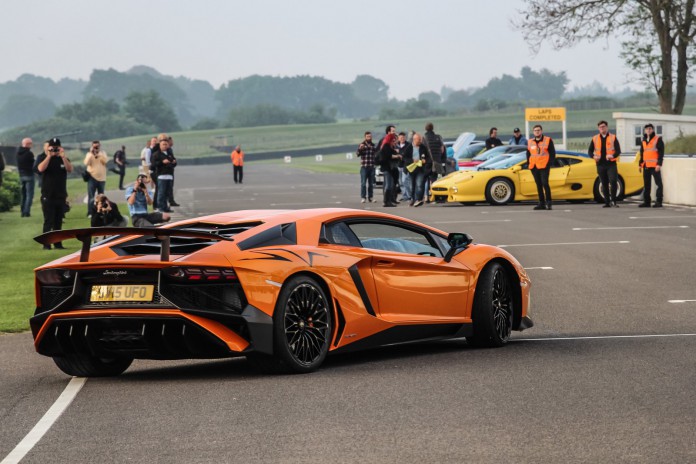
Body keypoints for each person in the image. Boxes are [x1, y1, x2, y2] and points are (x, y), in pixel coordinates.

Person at [35, 138, 73, 249]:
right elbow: (40, 169)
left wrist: (63, 156)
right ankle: (46, 244)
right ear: (48, 147)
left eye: (57, 147)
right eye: (53, 147)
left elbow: (69, 169)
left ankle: (58, 243)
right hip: (48, 194)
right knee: (48, 220)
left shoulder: (63, 158)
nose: (55, 149)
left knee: (58, 221)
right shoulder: (43, 158)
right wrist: (49, 155)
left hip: (60, 194)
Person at [588, 120, 622, 208]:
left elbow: (618, 151)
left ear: (607, 127)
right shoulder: (595, 138)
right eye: (600, 127)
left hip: (611, 164)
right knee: (604, 183)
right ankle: (607, 202)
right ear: (598, 128)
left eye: (603, 126)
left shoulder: (613, 137)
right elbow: (590, 151)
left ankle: (613, 201)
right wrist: (593, 156)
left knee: (613, 181)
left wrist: (612, 155)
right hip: (600, 164)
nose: (602, 128)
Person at [526, 124, 556, 210]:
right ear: (533, 132)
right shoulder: (530, 141)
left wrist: (549, 164)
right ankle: (541, 203)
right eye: (535, 130)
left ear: (541, 131)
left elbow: (552, 153)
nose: (537, 132)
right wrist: (529, 164)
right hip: (534, 166)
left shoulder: (547, 140)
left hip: (544, 166)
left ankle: (549, 202)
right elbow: (528, 153)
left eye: (538, 130)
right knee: (538, 185)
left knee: (545, 184)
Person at [639, 123, 665, 208]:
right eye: (647, 129)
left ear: (653, 130)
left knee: (658, 184)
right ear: (645, 130)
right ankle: (647, 202)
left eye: (650, 129)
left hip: (655, 166)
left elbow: (661, 153)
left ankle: (659, 201)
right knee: (647, 185)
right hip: (646, 165)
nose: (648, 130)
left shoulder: (658, 139)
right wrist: (640, 164)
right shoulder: (643, 140)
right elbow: (642, 153)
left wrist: (659, 164)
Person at [84, 140, 108, 217]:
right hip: (92, 177)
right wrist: (91, 154)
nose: (96, 148)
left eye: (97, 146)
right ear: (92, 146)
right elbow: (86, 163)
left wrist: (99, 154)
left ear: (100, 146)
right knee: (91, 196)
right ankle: (90, 212)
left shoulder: (103, 153)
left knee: (101, 197)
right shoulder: (89, 154)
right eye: (95, 146)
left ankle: (101, 211)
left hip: (102, 178)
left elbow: (105, 161)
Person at [153, 137, 177, 212]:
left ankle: (166, 207)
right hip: (161, 175)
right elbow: (154, 164)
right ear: (160, 145)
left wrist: (174, 162)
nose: (165, 146)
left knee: (167, 193)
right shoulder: (156, 154)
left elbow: (174, 162)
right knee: (161, 193)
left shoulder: (169, 153)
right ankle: (160, 207)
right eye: (163, 144)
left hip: (169, 175)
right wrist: (162, 162)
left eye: (166, 144)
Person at [423, 122, 445, 202]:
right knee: (435, 179)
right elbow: (442, 150)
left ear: (426, 128)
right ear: (433, 128)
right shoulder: (438, 137)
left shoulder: (424, 138)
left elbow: (423, 150)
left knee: (425, 179)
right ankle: (435, 196)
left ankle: (426, 196)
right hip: (437, 161)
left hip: (427, 162)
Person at [410, 133, 432, 207]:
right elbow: (405, 157)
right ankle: (412, 199)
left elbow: (428, 157)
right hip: (411, 169)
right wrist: (412, 160)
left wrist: (426, 161)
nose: (420, 141)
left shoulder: (423, 147)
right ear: (414, 140)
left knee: (419, 184)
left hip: (420, 169)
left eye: (420, 140)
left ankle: (419, 200)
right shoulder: (409, 147)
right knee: (412, 185)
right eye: (418, 140)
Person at [379, 133, 401, 207]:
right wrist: (397, 156)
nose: (394, 141)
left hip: (389, 168)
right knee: (388, 185)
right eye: (393, 140)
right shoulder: (386, 146)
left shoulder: (388, 146)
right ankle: (386, 201)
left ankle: (388, 201)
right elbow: (389, 155)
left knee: (390, 185)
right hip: (387, 168)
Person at [17, 138, 35, 217]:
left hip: (21, 175)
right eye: (30, 144)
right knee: (29, 195)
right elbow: (33, 164)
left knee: (23, 194)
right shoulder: (29, 153)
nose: (31, 145)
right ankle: (26, 212)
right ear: (27, 144)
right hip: (29, 175)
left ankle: (22, 211)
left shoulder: (18, 153)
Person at [356, 131, 376, 203]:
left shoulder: (373, 145)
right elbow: (357, 154)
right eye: (368, 137)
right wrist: (361, 149)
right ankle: (363, 197)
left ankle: (370, 197)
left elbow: (376, 154)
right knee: (363, 183)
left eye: (370, 136)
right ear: (365, 137)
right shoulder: (362, 144)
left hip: (371, 166)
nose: (369, 138)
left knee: (371, 184)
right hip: (364, 167)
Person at [397, 132, 413, 203]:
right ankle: (404, 196)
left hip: (406, 166)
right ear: (398, 138)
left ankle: (409, 196)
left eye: (403, 137)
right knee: (400, 182)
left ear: (405, 138)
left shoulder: (408, 145)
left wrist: (402, 155)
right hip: (398, 165)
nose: (402, 139)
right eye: (400, 137)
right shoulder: (396, 145)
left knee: (405, 181)